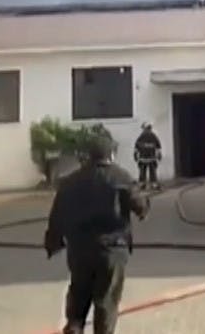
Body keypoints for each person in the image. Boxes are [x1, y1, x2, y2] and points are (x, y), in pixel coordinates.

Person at [44, 132, 150, 334]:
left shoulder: (69, 182)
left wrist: (53, 242)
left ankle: (74, 326)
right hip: (112, 250)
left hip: (79, 250)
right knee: (106, 302)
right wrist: (145, 205)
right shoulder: (121, 177)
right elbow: (140, 207)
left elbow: (56, 215)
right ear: (110, 155)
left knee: (78, 295)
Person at [132, 123, 162, 191]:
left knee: (143, 171)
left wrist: (135, 155)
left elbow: (137, 146)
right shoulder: (153, 136)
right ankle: (152, 184)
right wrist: (159, 155)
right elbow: (158, 146)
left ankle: (143, 184)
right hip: (151, 157)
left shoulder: (142, 136)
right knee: (151, 171)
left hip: (144, 158)